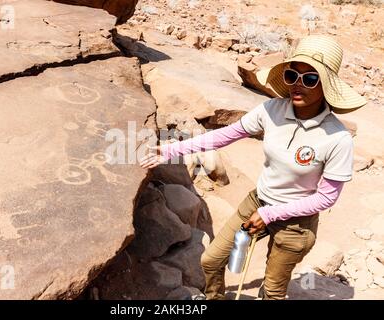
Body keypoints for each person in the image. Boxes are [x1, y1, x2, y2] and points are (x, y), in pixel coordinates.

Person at [139, 35, 367, 300]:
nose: (298, 85)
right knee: (211, 261)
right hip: (258, 202)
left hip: (295, 223)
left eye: (310, 79)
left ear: (326, 85)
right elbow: (225, 135)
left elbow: (326, 198)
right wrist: (170, 149)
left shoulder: (337, 138)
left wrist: (271, 215)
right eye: (293, 75)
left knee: (272, 291)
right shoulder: (272, 109)